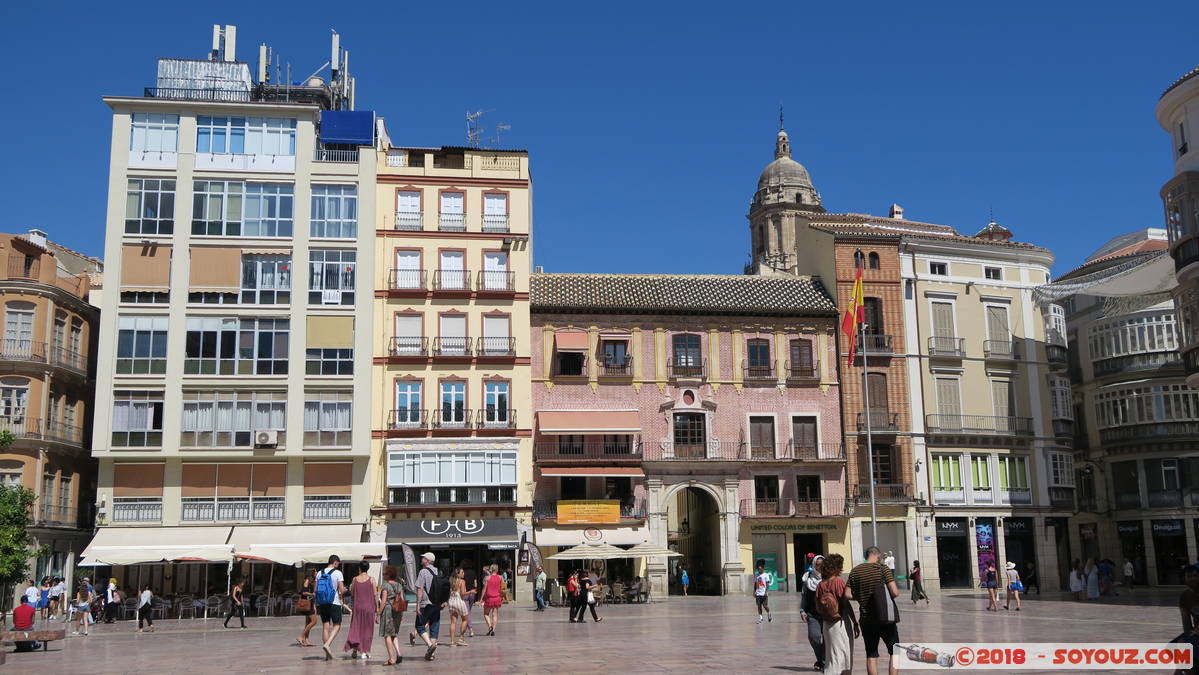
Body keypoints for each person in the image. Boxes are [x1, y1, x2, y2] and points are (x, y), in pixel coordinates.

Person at [847, 546, 901, 675]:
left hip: (866, 618)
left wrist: (861, 596)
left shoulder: (855, 571)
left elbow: (847, 595)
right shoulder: (883, 569)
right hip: (885, 617)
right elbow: (895, 592)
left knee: (871, 653)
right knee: (895, 651)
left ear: (867, 555)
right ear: (878, 556)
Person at [817, 554, 857, 675]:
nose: (841, 569)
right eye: (840, 566)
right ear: (835, 567)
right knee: (843, 654)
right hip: (840, 623)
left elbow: (818, 608)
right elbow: (846, 604)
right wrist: (855, 622)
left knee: (831, 655)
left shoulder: (820, 585)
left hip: (827, 624)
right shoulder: (838, 582)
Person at [410, 551, 443, 661]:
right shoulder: (439, 571)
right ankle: (432, 654)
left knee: (419, 626)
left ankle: (430, 645)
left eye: (423, 558)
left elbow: (420, 588)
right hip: (437, 604)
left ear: (427, 561)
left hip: (426, 604)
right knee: (434, 627)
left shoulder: (423, 572)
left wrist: (418, 604)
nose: (421, 559)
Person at [343, 561, 376, 659]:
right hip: (369, 608)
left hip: (357, 607)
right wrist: (377, 608)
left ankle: (355, 650)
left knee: (356, 628)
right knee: (368, 629)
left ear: (360, 568)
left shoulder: (355, 579)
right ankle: (365, 651)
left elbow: (352, 593)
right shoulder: (372, 579)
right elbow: (375, 594)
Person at [318, 554, 347, 661]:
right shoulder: (338, 573)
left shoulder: (319, 573)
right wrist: (346, 590)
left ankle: (327, 654)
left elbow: (316, 589)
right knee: (337, 625)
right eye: (337, 564)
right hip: (334, 601)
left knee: (326, 625)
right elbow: (341, 589)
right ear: (335, 562)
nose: (337, 566)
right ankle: (328, 644)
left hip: (322, 602)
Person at [799, 554, 825, 672]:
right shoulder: (807, 578)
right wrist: (802, 610)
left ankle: (822, 661)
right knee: (814, 637)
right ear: (814, 565)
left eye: (822, 565)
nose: (820, 567)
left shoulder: (829, 577)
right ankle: (821, 658)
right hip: (812, 613)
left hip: (827, 615)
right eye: (818, 565)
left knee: (827, 639)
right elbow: (804, 596)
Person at [378, 566, 404, 665]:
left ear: (389, 575)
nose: (384, 575)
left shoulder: (385, 586)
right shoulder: (399, 585)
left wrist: (378, 614)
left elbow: (383, 601)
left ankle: (391, 658)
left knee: (387, 635)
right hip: (397, 611)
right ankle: (399, 653)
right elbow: (401, 600)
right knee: (394, 633)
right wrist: (401, 615)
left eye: (385, 574)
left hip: (388, 611)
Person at [447, 567, 469, 647]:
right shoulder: (462, 581)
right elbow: (463, 593)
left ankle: (452, 641)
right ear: (458, 574)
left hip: (451, 601)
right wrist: (471, 591)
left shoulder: (451, 581)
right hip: (459, 601)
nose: (463, 574)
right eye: (462, 572)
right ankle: (461, 638)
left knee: (453, 622)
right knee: (465, 619)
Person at [482, 563, 505, 633]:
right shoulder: (500, 577)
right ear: (497, 570)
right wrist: (502, 596)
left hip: (489, 598)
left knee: (486, 614)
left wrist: (481, 598)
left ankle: (490, 626)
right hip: (497, 598)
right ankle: (493, 630)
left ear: (491, 570)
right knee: (495, 615)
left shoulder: (487, 578)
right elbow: (503, 587)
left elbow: (484, 589)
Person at [296, 569, 317, 647]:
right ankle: (301, 636)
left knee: (308, 623)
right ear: (311, 573)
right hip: (307, 604)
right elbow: (303, 592)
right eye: (315, 572)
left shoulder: (311, 581)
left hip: (310, 603)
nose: (316, 573)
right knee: (314, 621)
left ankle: (306, 640)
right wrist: (312, 594)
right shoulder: (307, 581)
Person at [461, 560, 478, 638]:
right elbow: (475, 583)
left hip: (465, 594)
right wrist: (474, 589)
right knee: (468, 611)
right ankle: (464, 630)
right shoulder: (473, 572)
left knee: (467, 613)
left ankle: (470, 630)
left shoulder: (462, 573)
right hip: (472, 593)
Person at [754, 559, 773, 624]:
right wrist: (754, 591)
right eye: (758, 569)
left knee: (765, 605)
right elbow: (755, 584)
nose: (759, 570)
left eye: (760, 568)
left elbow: (767, 584)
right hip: (758, 593)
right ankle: (761, 618)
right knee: (759, 606)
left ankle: (769, 613)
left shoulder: (766, 575)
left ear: (762, 568)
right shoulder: (756, 575)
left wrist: (766, 591)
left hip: (764, 593)